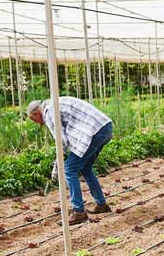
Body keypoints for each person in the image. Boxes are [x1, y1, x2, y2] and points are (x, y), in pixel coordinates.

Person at [27, 96, 114, 225]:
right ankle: (101, 204)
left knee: (69, 168)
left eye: (34, 120)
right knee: (85, 167)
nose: (39, 124)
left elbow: (61, 141)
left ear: (36, 113)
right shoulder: (55, 103)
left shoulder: (49, 113)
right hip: (105, 127)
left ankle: (78, 212)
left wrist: (57, 166)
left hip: (94, 132)